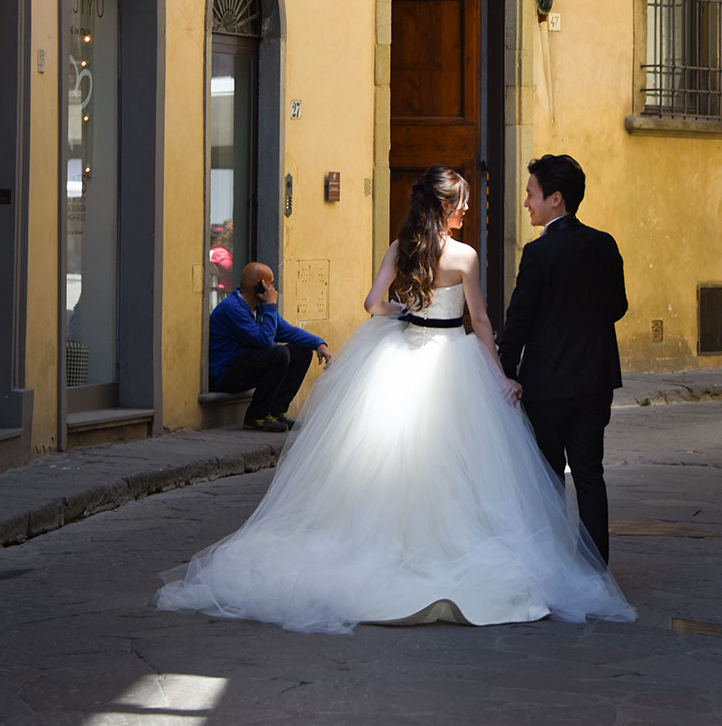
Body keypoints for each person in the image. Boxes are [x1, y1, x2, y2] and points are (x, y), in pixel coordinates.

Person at [156, 166, 634, 634]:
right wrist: (499, 375)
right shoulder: (465, 256)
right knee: (470, 464)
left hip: (404, 350)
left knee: (393, 457)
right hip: (457, 356)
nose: (468, 208)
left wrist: (401, 310)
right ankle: (553, 559)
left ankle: (399, 546)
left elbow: (372, 304)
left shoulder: (403, 248)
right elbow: (483, 324)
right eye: (463, 202)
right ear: (446, 207)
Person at [498, 154, 627, 563]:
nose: (526, 204)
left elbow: (518, 319)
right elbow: (618, 306)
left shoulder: (539, 253)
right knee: (589, 472)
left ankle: (551, 562)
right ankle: (594, 567)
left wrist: (506, 371)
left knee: (548, 477)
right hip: (594, 378)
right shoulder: (604, 244)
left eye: (531, 194)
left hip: (548, 383)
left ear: (556, 199)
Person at [207, 260, 331, 433]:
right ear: (260, 287)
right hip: (224, 374)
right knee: (278, 354)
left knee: (301, 350)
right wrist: (272, 306)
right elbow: (264, 341)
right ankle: (256, 417)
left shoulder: (260, 308)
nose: (274, 289)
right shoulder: (232, 308)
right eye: (271, 283)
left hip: (243, 366)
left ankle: (275, 412)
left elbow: (288, 331)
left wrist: (319, 344)